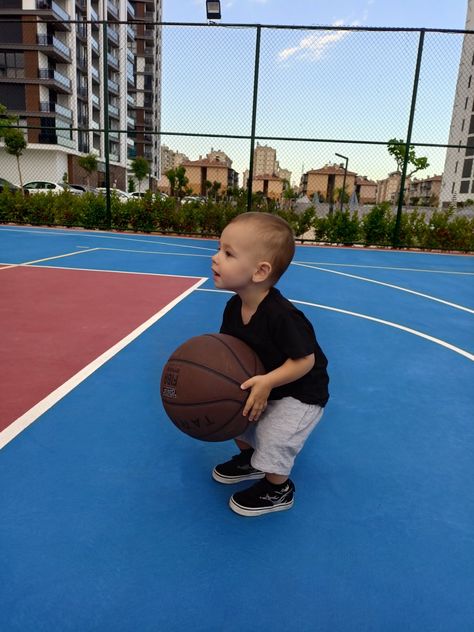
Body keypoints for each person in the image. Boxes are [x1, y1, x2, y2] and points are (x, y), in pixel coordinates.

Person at [211, 212, 329, 517]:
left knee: (275, 436)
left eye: (228, 253)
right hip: (267, 382)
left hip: (301, 392)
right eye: (218, 248)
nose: (215, 258)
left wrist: (266, 382)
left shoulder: (282, 315)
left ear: (260, 272)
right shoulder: (234, 307)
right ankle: (249, 460)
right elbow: (231, 350)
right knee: (233, 413)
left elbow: (305, 360)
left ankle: (278, 488)